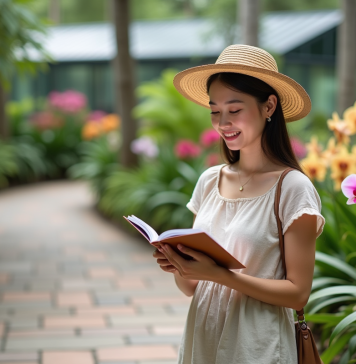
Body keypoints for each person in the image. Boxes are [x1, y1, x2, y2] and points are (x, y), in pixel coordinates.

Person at [152, 44, 325, 364]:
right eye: (215, 111)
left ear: (269, 106)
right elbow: (191, 287)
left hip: (258, 345)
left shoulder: (292, 189)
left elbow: (298, 292)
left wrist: (220, 275)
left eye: (234, 110)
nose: (223, 123)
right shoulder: (208, 181)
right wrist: (179, 265)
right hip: (202, 338)